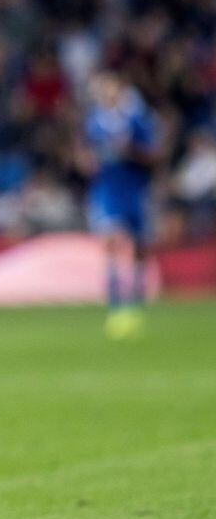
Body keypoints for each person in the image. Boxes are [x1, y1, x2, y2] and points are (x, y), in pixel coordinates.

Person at [83, 71, 160, 340]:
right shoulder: (94, 122)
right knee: (113, 243)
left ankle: (136, 304)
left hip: (135, 191)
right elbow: (86, 156)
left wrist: (131, 151)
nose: (107, 94)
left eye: (111, 89)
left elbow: (153, 155)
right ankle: (116, 307)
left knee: (139, 248)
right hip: (108, 193)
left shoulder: (136, 120)